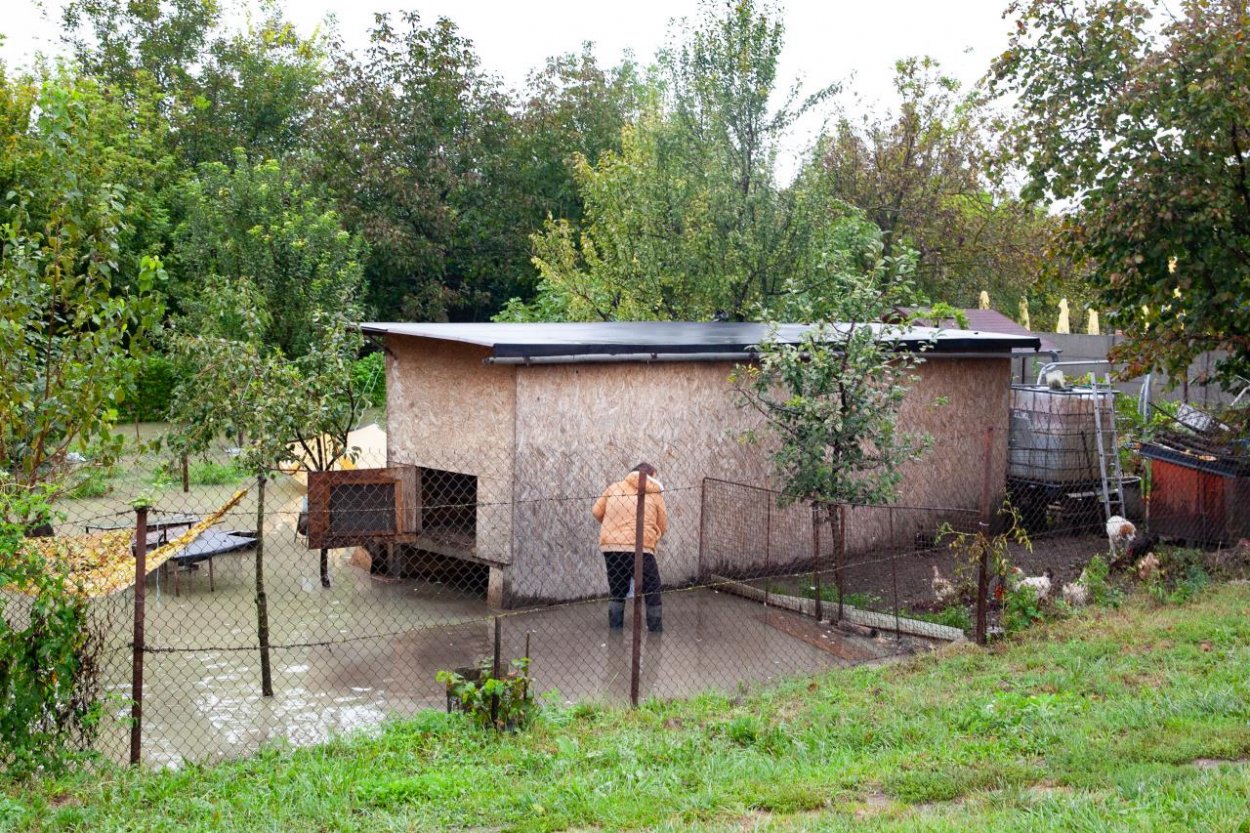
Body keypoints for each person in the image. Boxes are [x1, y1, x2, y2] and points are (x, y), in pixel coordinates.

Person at [592, 462, 668, 632]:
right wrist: (654, 537)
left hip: (611, 547)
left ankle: (615, 629)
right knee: (652, 588)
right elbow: (663, 525)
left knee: (617, 589)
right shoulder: (654, 494)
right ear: (651, 476)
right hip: (641, 549)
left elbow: (597, 511)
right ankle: (655, 630)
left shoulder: (614, 488)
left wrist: (614, 528)